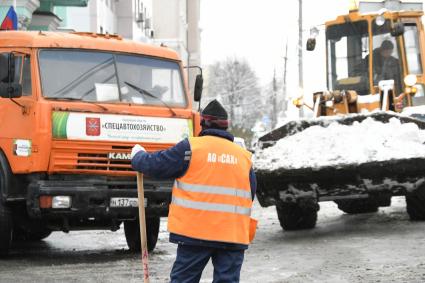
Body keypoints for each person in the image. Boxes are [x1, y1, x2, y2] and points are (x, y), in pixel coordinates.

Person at [131, 99, 257, 283]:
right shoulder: (244, 157)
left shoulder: (191, 148)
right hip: (233, 235)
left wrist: (138, 156)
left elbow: (156, 165)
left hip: (195, 234)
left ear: (203, 123)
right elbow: (250, 193)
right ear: (226, 126)